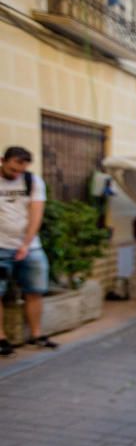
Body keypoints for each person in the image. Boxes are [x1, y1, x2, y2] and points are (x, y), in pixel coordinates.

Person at [0, 146, 57, 355]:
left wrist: (25, 244)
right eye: (14, 169)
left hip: (30, 247)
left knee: (35, 291)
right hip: (0, 247)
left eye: (21, 170)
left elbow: (36, 214)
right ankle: (2, 339)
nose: (17, 174)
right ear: (3, 160)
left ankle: (36, 335)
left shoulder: (32, 181)